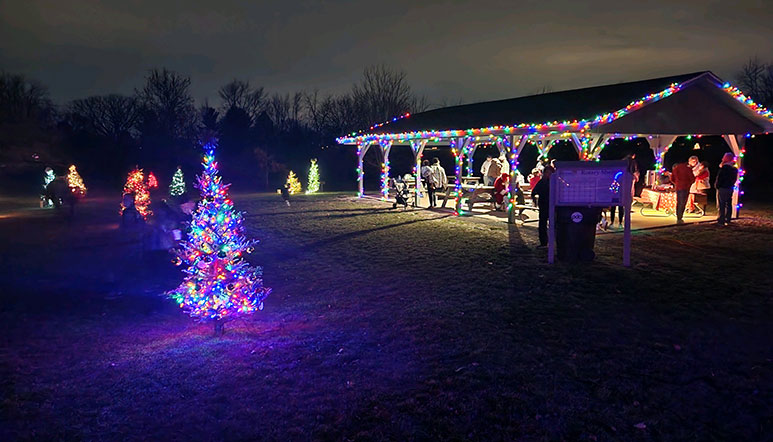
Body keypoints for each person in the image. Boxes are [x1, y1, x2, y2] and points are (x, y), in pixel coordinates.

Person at [532, 165, 554, 247]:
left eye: (550, 173)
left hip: (553, 206)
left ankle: (554, 242)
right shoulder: (542, 182)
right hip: (544, 205)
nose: (548, 174)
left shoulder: (555, 182)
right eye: (547, 172)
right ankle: (543, 242)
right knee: (542, 224)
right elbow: (534, 192)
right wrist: (536, 197)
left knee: (554, 224)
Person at [715, 153, 738, 226]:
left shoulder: (724, 168)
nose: (722, 159)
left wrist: (717, 185)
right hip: (730, 187)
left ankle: (721, 219)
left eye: (724, 157)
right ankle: (728, 218)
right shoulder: (734, 169)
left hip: (723, 187)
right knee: (728, 203)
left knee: (721, 204)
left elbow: (720, 178)